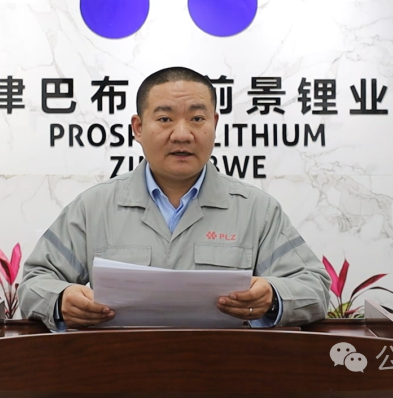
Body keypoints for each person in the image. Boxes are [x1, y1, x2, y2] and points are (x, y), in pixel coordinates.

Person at [17, 67, 331, 330]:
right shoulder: (94, 206)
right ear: (138, 128)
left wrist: (273, 296)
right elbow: (35, 280)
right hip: (118, 372)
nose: (182, 134)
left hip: (224, 372)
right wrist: (61, 300)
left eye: (197, 118)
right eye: (165, 119)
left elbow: (313, 285)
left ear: (214, 124)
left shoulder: (255, 209)